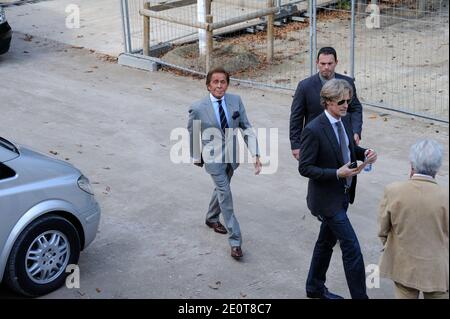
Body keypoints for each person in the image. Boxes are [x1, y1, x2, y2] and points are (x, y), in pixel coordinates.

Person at [298, 78, 377, 299]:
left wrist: (365, 153)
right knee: (352, 248)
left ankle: (314, 287)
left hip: (343, 196)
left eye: (348, 101)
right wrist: (335, 173)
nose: (346, 105)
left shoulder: (346, 119)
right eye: (341, 101)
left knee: (325, 243)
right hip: (326, 201)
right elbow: (304, 168)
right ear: (328, 102)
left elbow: (350, 149)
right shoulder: (314, 130)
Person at [187, 67, 262, 260]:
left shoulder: (235, 101)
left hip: (232, 156)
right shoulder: (197, 107)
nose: (220, 86)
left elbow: (246, 127)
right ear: (208, 85)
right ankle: (235, 241)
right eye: (215, 82)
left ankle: (211, 218)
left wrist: (255, 153)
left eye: (223, 82)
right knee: (226, 195)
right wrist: (196, 155)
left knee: (222, 189)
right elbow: (193, 132)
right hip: (213, 159)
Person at [378, 139, 449, 299]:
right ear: (437, 167)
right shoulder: (446, 197)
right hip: (437, 270)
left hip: (404, 265)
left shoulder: (393, 191)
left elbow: (383, 230)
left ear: (412, 164)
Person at [290, 47, 363, 161]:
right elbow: (296, 117)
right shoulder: (305, 86)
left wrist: (356, 131)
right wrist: (296, 145)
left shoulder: (347, 83)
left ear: (336, 63)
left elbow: (355, 108)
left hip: (342, 138)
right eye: (322, 63)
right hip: (317, 141)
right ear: (317, 63)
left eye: (330, 63)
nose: (326, 67)